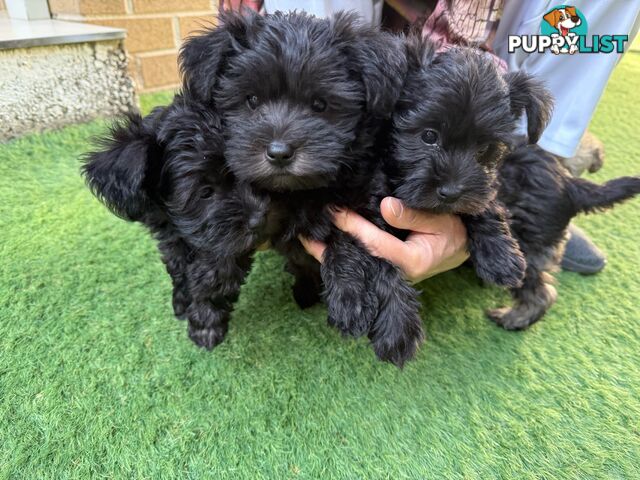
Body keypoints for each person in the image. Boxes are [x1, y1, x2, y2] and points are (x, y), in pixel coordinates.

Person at [220, 0, 640, 281]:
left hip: (492, 60)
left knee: (514, 182)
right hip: (362, 54)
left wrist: (524, 178)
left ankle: (531, 213)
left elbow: (574, 49)